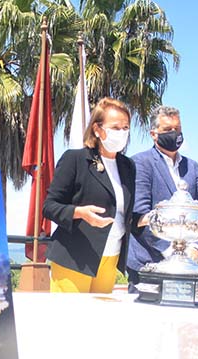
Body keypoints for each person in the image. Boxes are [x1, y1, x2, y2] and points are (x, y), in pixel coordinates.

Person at [43, 97, 148, 293]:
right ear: (97, 129)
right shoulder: (75, 159)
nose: (122, 133)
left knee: (99, 322)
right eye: (116, 127)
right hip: (75, 257)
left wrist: (147, 219)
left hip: (110, 258)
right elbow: (49, 206)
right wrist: (79, 212)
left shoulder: (127, 166)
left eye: (126, 127)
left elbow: (120, 215)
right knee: (72, 321)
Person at [126, 105, 198, 290]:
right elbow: (140, 215)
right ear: (154, 134)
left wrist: (195, 248)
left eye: (177, 129)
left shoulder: (192, 167)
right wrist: (172, 252)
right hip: (148, 265)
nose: (174, 133)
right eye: (167, 130)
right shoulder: (141, 162)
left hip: (187, 266)